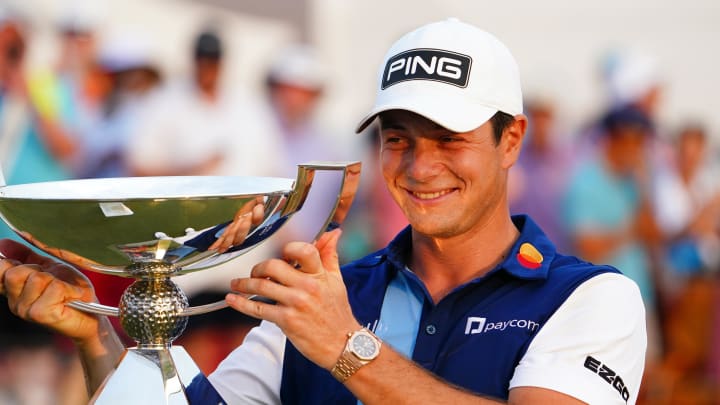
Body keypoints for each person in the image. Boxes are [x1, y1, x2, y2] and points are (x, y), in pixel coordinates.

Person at [0, 19, 647, 404]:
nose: (420, 166)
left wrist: (346, 347)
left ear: (512, 140)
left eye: (450, 137)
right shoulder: (325, 295)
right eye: (398, 137)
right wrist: (100, 332)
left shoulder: (589, 298)